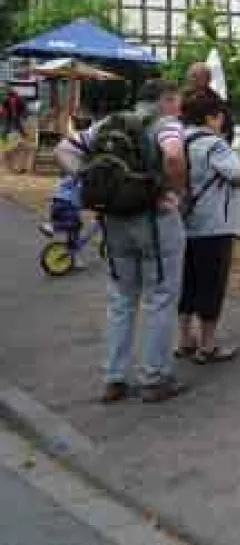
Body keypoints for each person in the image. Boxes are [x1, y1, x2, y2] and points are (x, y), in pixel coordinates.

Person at [54, 79, 189, 404]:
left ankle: (114, 378)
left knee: (121, 298)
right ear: (166, 101)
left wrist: (88, 181)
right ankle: (154, 379)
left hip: (114, 220)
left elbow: (63, 149)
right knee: (160, 296)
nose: (180, 110)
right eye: (178, 103)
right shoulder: (166, 124)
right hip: (154, 222)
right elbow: (173, 156)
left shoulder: (108, 124)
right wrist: (173, 191)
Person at [177, 89, 240, 364]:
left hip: (181, 223)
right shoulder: (214, 144)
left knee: (185, 282)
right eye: (219, 115)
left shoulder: (177, 140)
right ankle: (207, 345)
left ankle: (184, 339)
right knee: (211, 283)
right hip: (212, 225)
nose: (222, 120)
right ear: (211, 117)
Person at [185, 63, 234, 143]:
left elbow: (219, 128)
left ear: (208, 79)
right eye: (190, 76)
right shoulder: (184, 96)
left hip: (207, 143)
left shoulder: (214, 101)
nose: (191, 79)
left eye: (195, 76)